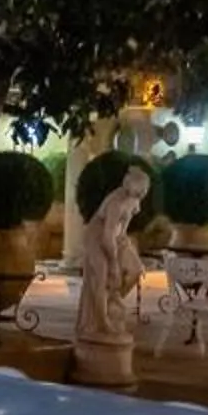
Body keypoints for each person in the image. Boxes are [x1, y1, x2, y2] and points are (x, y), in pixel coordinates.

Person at [73, 163, 151, 385]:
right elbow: (106, 236)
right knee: (101, 277)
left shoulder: (134, 201)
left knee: (136, 271)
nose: (139, 196)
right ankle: (102, 320)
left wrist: (123, 245)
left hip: (116, 237)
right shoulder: (116, 202)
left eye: (141, 193)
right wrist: (114, 263)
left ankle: (114, 298)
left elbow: (122, 228)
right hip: (98, 236)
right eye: (136, 191)